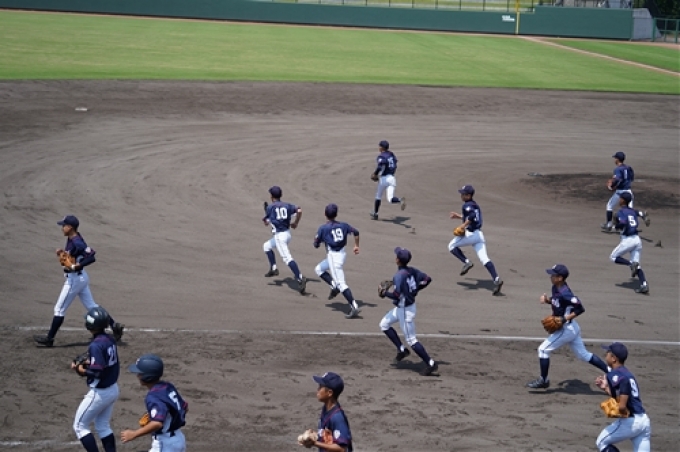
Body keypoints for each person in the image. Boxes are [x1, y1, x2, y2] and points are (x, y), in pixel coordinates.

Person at [34, 215, 124, 347]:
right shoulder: (73, 238)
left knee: (59, 309)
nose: (62, 228)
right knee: (91, 306)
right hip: (81, 278)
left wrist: (78, 266)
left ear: (70, 227)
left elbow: (91, 257)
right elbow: (75, 254)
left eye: (64, 226)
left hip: (74, 280)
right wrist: (63, 253)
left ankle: (50, 339)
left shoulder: (77, 242)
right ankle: (114, 326)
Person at [526, 264, 609, 389]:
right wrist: (548, 300)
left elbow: (580, 309)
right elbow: (558, 302)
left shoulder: (566, 294)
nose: (550, 276)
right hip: (572, 328)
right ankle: (610, 371)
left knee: (543, 350)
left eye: (553, 275)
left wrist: (565, 318)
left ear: (560, 278)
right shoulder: (555, 287)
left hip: (566, 330)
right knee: (583, 355)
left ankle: (543, 380)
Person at [379, 247, 438, 376]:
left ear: (397, 260)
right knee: (384, 324)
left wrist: (384, 293)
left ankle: (431, 363)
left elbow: (396, 296)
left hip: (405, 311)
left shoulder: (399, 276)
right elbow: (427, 279)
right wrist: (416, 289)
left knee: (411, 340)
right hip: (403, 307)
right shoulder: (412, 270)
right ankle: (402, 350)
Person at [72, 307, 120, 452]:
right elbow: (104, 362)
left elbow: (97, 372)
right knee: (103, 426)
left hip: (100, 393)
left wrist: (81, 370)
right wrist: (89, 363)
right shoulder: (110, 339)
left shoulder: (96, 345)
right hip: (113, 389)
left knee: (79, 426)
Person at [121, 354, 188, 452]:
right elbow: (184, 407)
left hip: (165, 444)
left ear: (147, 376)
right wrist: (169, 417)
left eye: (140, 373)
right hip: (179, 438)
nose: (138, 376)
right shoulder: (168, 386)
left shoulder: (153, 396)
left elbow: (157, 423)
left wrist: (133, 434)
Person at [594, 342, 651, 452]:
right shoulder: (626, 373)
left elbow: (622, 406)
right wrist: (606, 388)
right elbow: (623, 394)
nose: (606, 355)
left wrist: (622, 411)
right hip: (644, 421)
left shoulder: (615, 375)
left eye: (608, 353)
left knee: (601, 442)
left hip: (632, 422)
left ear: (614, 358)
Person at [448, 185, 503, 296]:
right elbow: (471, 216)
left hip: (471, 234)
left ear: (469, 195)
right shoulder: (474, 204)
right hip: (479, 236)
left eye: (463, 194)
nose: (461, 195)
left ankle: (467, 262)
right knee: (484, 259)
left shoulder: (467, 205)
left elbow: (472, 216)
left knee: (451, 246)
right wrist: (459, 217)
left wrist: (463, 225)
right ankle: (496, 279)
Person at [313, 204, 362, 319]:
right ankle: (333, 285)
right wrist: (356, 246)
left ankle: (354, 305)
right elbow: (356, 232)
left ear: (325, 214)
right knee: (319, 269)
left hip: (333, 257)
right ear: (336, 214)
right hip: (342, 255)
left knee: (341, 284)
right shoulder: (344, 225)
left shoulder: (323, 228)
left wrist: (319, 240)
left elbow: (315, 244)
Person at [262, 186, 307, 294]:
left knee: (287, 258)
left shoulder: (270, 208)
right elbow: (299, 210)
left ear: (271, 196)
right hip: (287, 234)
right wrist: (296, 223)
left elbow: (266, 222)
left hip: (279, 237)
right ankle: (273, 269)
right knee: (266, 246)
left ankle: (300, 278)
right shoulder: (287, 205)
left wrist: (266, 212)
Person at [299, 372, 353, 451]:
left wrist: (315, 443)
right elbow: (328, 437)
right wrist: (314, 436)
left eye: (320, 387)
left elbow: (342, 449)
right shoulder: (326, 409)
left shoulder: (337, 418)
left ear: (329, 393)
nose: (317, 390)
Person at [609, 192, 649, 294]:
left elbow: (623, 222)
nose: (619, 200)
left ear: (623, 200)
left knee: (613, 257)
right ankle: (644, 284)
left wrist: (614, 226)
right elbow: (640, 213)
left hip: (628, 240)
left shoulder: (621, 212)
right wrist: (644, 217)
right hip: (637, 240)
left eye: (620, 198)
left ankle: (630, 264)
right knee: (637, 265)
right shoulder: (632, 211)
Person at [602, 152, 650, 232]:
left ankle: (609, 224)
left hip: (620, 192)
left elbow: (617, 179)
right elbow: (632, 178)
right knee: (630, 210)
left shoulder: (618, 169)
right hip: (628, 191)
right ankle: (641, 214)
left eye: (615, 158)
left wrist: (611, 186)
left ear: (617, 159)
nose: (614, 160)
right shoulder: (628, 168)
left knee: (609, 206)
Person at [369, 140, 406, 220]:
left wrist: (375, 174)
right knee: (390, 199)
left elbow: (379, 166)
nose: (379, 148)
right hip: (392, 178)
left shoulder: (381, 156)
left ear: (382, 148)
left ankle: (375, 213)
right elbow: (395, 164)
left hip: (384, 179)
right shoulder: (391, 154)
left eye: (379, 146)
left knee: (378, 196)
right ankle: (400, 200)